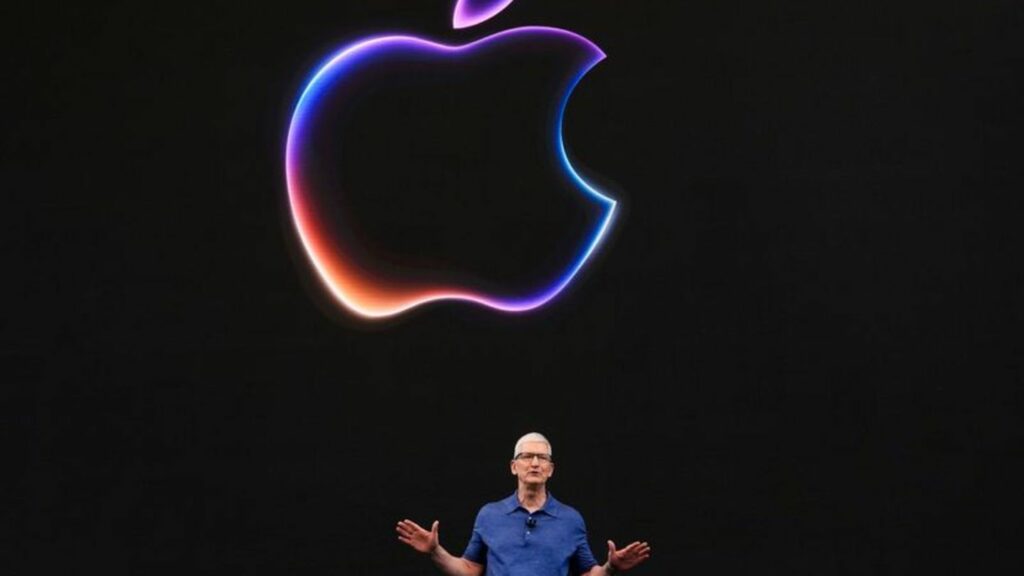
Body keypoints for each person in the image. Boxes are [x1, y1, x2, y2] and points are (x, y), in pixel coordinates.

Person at [397, 432, 651, 576]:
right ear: (513, 466)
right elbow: (469, 569)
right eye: (527, 456)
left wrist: (610, 568)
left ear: (551, 469)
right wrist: (435, 551)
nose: (535, 463)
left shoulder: (570, 519)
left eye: (542, 458)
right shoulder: (490, 515)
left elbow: (588, 573)